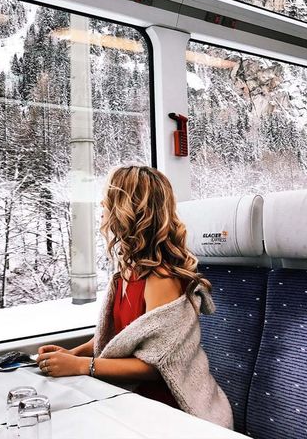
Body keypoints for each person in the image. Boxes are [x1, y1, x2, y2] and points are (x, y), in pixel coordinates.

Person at [37, 166, 233, 429]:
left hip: (170, 406)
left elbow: (155, 366)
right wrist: (71, 354)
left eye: (107, 202)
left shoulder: (161, 279)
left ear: (128, 211)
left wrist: (82, 365)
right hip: (131, 397)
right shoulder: (126, 272)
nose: (102, 208)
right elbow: (122, 338)